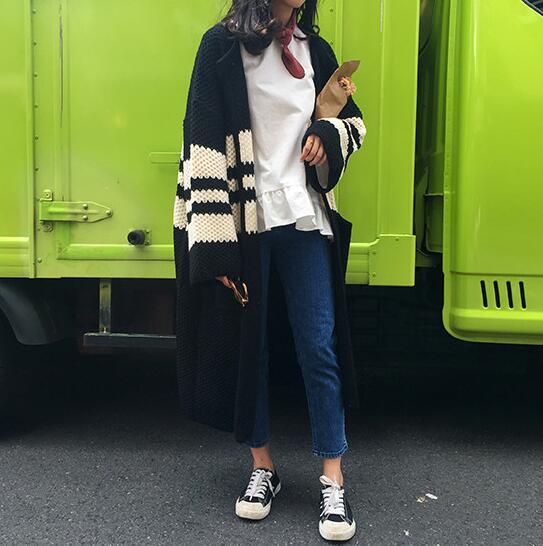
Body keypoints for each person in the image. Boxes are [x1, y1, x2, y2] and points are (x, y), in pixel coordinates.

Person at [172, 0, 366, 541]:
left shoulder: (315, 49)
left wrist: (327, 136)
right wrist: (214, 248)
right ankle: (263, 467)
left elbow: (353, 124)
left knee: (319, 345)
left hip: (303, 215)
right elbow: (201, 143)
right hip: (246, 220)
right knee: (249, 346)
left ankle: (333, 477)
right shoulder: (221, 46)